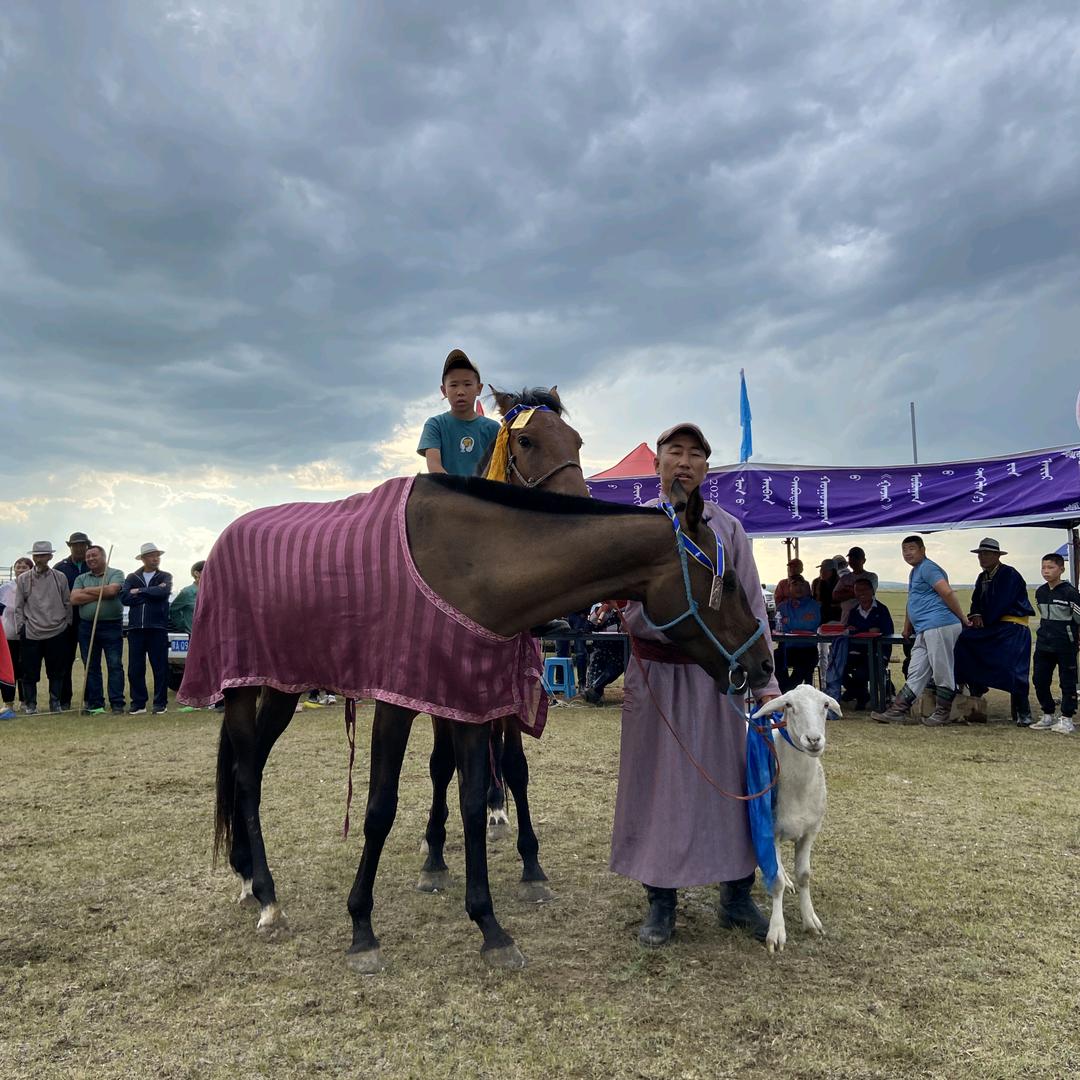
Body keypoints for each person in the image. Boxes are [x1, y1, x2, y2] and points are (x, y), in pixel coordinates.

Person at [611, 422, 780, 947]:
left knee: (733, 785)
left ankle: (736, 895)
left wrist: (767, 683)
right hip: (657, 675)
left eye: (695, 455)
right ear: (657, 463)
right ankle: (660, 899)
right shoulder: (637, 528)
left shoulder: (728, 530)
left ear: (707, 468)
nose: (684, 462)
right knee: (658, 787)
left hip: (719, 679)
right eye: (674, 452)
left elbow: (751, 606)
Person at [871, 536, 970, 727]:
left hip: (939, 624)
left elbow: (947, 592)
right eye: (904, 550)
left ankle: (942, 713)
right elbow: (912, 600)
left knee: (942, 669)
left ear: (923, 550)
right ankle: (898, 710)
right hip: (925, 628)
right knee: (916, 669)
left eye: (911, 549)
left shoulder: (928, 568)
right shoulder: (915, 572)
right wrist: (908, 626)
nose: (907, 553)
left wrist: (963, 618)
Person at [953, 538, 1035, 726]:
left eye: (987, 553)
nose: (982, 557)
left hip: (1012, 628)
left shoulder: (1009, 574)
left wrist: (984, 619)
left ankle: (1024, 712)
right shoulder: (983, 577)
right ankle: (977, 688)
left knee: (1014, 669)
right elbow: (976, 602)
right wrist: (975, 615)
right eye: (980, 554)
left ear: (997, 555)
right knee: (966, 641)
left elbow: (1002, 602)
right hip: (993, 627)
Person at [416, 349, 501, 476]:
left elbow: (498, 466)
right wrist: (459, 493)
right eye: (453, 385)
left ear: (479, 389)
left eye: (467, 384)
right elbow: (434, 466)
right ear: (444, 391)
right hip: (446, 493)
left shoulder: (494, 429)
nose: (460, 391)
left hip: (484, 493)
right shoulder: (435, 425)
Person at [13, 541, 72, 714]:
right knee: (29, 672)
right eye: (36, 556)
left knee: (56, 671)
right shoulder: (24, 579)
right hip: (31, 631)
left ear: (50, 557)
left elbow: (67, 602)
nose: (39, 559)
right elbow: (18, 606)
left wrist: (67, 624)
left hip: (57, 630)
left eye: (43, 555)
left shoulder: (59, 577)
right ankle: (31, 704)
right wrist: (21, 628)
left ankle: (55, 703)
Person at [70, 545, 126, 715]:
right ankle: (96, 704)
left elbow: (111, 591)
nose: (90, 559)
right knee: (91, 666)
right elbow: (74, 598)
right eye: (88, 557)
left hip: (112, 626)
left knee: (114, 664)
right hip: (87, 627)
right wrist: (100, 591)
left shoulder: (116, 573)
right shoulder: (81, 577)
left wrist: (86, 591)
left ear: (103, 557)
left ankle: (117, 703)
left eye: (94, 555)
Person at [1029, 553, 1080, 734]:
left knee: (1067, 682)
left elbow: (1077, 618)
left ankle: (1066, 718)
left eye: (1051, 567)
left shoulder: (1070, 593)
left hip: (1065, 644)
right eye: (1043, 567)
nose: (1046, 571)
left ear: (1061, 569)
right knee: (1039, 680)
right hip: (1043, 644)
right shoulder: (1040, 592)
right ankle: (1047, 714)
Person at [121, 543, 173, 715]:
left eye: (157, 555)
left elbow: (163, 593)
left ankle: (160, 703)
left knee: (160, 667)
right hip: (136, 629)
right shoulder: (132, 576)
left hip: (157, 628)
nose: (155, 558)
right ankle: (138, 703)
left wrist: (140, 591)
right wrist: (150, 593)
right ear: (143, 558)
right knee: (135, 668)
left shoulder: (165, 576)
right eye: (151, 555)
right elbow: (125, 598)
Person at [51, 531, 91, 712]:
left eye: (83, 544)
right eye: (76, 544)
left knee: (89, 660)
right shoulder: (60, 567)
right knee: (64, 662)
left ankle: (90, 699)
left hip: (88, 620)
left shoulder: (94, 565)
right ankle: (64, 699)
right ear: (70, 546)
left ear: (87, 545)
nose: (80, 547)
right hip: (66, 621)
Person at [842, 577, 895, 710]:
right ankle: (862, 695)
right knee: (838, 668)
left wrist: (873, 632)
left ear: (872, 591)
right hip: (856, 652)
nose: (861, 593)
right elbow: (850, 630)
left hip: (877, 652)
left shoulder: (882, 610)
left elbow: (888, 633)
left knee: (862, 672)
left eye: (864, 589)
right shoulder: (854, 611)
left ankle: (861, 697)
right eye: (857, 590)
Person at [0, 556, 33, 718]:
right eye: (18, 566)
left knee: (25, 670)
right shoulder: (5, 588)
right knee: (9, 669)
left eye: (24, 567)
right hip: (8, 634)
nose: (20, 569)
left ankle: (25, 700)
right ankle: (8, 702)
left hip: (27, 634)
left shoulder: (33, 586)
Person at [773, 578, 821, 691]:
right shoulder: (782, 607)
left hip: (808, 648)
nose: (798, 588)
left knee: (803, 665)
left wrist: (789, 621)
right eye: (795, 584)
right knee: (774, 659)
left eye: (802, 585)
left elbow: (811, 624)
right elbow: (780, 627)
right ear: (789, 588)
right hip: (788, 649)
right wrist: (801, 621)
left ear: (806, 588)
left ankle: (786, 691)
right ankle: (783, 690)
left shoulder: (814, 606)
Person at [582, 602, 625, 705]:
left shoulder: (621, 610)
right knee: (597, 660)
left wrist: (621, 617)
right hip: (600, 646)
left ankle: (596, 688)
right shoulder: (597, 608)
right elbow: (588, 628)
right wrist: (600, 612)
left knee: (619, 664)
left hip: (617, 648)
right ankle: (594, 692)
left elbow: (625, 628)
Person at [831, 546, 879, 619]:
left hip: (866, 618)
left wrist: (846, 590)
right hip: (846, 618)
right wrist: (854, 592)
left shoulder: (871, 577)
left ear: (864, 560)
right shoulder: (844, 578)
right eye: (851, 559)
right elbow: (835, 596)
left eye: (856, 558)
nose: (853, 561)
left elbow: (866, 594)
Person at [168, 560, 204, 634]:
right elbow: (173, 610)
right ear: (197, 573)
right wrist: (184, 626)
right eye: (207, 570)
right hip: (194, 635)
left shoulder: (215, 591)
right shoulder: (187, 592)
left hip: (213, 636)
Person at [812, 559, 841, 623]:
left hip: (836, 617)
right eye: (821, 569)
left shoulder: (840, 582)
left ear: (834, 571)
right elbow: (813, 599)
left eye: (826, 570)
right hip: (819, 615)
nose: (822, 571)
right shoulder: (816, 582)